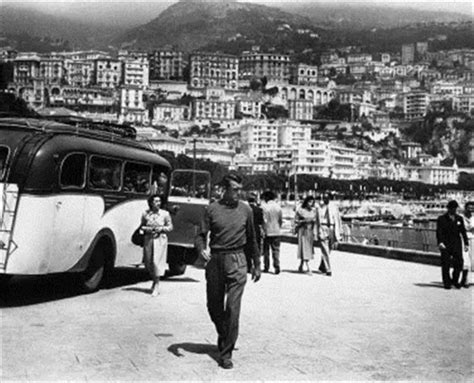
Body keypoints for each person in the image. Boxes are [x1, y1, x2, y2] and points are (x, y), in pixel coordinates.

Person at [195, 172, 261, 369]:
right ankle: (225, 334)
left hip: (238, 259)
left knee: (232, 308)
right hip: (216, 259)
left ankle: (226, 353)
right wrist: (201, 249)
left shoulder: (246, 210)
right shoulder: (211, 209)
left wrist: (256, 263)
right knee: (213, 306)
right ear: (225, 189)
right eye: (234, 189)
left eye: (240, 190)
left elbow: (252, 239)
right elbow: (200, 235)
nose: (237, 193)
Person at [141, 194, 173, 296]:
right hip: (149, 239)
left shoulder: (165, 214)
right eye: (155, 201)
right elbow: (142, 226)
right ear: (151, 203)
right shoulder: (146, 214)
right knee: (148, 261)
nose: (157, 203)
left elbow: (170, 227)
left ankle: (157, 285)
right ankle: (154, 281)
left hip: (160, 240)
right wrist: (147, 229)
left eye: (159, 201)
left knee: (156, 262)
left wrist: (161, 229)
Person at [436, 200, 469, 289]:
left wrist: (466, 243)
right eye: (452, 208)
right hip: (446, 243)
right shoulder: (441, 219)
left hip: (456, 243)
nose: (454, 210)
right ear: (448, 208)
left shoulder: (459, 218)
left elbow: (463, 231)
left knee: (459, 263)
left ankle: (455, 280)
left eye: (455, 208)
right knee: (446, 264)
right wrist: (440, 242)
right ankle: (447, 282)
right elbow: (439, 232)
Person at [316, 193, 342, 277]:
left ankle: (322, 266)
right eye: (324, 198)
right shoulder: (319, 207)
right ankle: (328, 269)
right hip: (323, 227)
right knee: (325, 249)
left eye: (326, 198)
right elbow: (316, 220)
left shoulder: (334, 207)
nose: (325, 199)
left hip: (332, 228)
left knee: (329, 249)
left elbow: (338, 219)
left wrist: (339, 231)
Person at [261, 190, 283, 274]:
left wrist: (263, 229)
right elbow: (280, 220)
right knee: (276, 250)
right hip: (276, 230)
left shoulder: (264, 207)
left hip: (267, 231)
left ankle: (266, 266)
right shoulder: (278, 207)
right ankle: (277, 265)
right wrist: (278, 227)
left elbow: (264, 220)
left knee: (266, 250)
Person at [294, 195, 316, 274]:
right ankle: (308, 267)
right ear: (306, 202)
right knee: (305, 248)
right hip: (303, 231)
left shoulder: (313, 211)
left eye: (312, 202)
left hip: (310, 232)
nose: (311, 204)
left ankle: (301, 265)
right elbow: (295, 221)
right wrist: (303, 221)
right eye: (309, 202)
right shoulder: (300, 211)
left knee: (307, 249)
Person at [460, 202, 473, 288]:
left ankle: (465, 279)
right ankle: (465, 279)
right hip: (463, 239)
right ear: (465, 208)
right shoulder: (461, 217)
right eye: (469, 208)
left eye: (472, 208)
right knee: (465, 259)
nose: (470, 209)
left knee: (473, 259)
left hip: (473, 238)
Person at [248, 192, 264, 257]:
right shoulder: (259, 209)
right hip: (256, 228)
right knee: (257, 243)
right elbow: (261, 221)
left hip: (248, 229)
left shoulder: (245, 209)